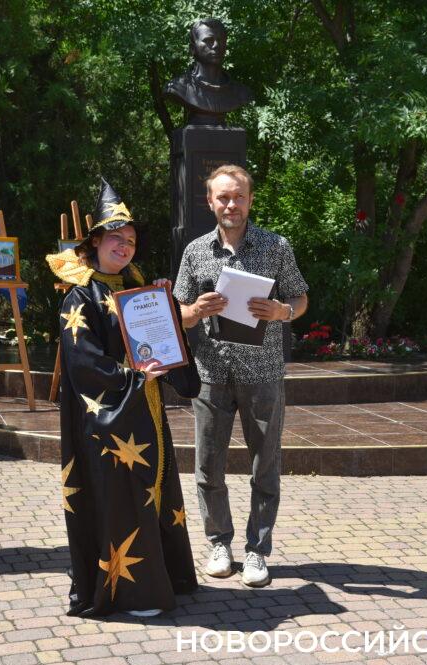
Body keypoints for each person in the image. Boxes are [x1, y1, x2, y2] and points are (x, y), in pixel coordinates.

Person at [46, 178, 200, 617]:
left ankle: (163, 578)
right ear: (95, 242)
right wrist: (133, 377)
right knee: (124, 499)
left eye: (130, 240)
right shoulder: (80, 296)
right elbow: (84, 362)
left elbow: (160, 343)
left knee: (152, 490)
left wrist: (165, 307)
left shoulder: (138, 289)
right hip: (108, 422)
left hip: (144, 411)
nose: (124, 246)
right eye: (116, 237)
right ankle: (133, 594)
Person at [173, 165, 308, 587]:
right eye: (223, 197)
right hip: (210, 373)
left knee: (265, 466)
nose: (231, 204)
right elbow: (178, 313)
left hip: (262, 373)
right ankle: (219, 544)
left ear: (249, 200)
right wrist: (195, 311)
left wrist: (283, 312)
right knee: (208, 467)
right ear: (210, 201)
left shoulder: (275, 246)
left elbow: (300, 297)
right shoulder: (195, 251)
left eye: (238, 197)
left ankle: (257, 551)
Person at [164, 17, 253, 126]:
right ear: (192, 48)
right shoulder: (178, 88)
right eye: (208, 40)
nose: (216, 45)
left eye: (220, 40)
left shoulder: (240, 92)